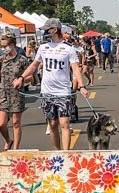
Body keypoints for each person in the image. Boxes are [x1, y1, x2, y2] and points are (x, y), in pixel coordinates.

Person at [15, 18, 89, 151]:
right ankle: (57, 150)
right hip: (47, 92)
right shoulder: (43, 48)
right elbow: (34, 66)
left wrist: (81, 86)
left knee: (64, 123)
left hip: (63, 91)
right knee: (53, 124)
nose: (45, 33)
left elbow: (75, 68)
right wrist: (21, 77)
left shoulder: (68, 48)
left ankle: (65, 153)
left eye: (47, 30)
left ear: (55, 30)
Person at [0, 33, 28, 151]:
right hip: (3, 93)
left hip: (17, 94)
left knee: (16, 123)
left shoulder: (22, 60)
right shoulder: (1, 60)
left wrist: (21, 80)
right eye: (1, 46)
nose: (3, 49)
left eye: (5, 46)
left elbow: (31, 78)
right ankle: (8, 140)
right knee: (1, 124)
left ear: (12, 45)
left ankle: (16, 149)